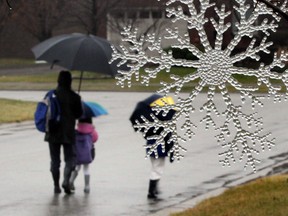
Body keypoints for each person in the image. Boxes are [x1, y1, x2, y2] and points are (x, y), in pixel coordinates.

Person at [45, 70, 83, 194]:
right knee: (70, 158)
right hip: (68, 131)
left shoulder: (51, 94)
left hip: (53, 130)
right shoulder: (75, 97)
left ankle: (56, 186)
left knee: (55, 160)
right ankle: (66, 181)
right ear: (70, 81)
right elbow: (79, 114)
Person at [69, 117, 98, 193]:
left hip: (78, 153)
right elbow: (95, 139)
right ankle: (87, 186)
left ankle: (71, 181)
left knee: (77, 167)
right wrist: (93, 129)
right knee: (86, 169)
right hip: (87, 153)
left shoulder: (77, 131)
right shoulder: (91, 130)